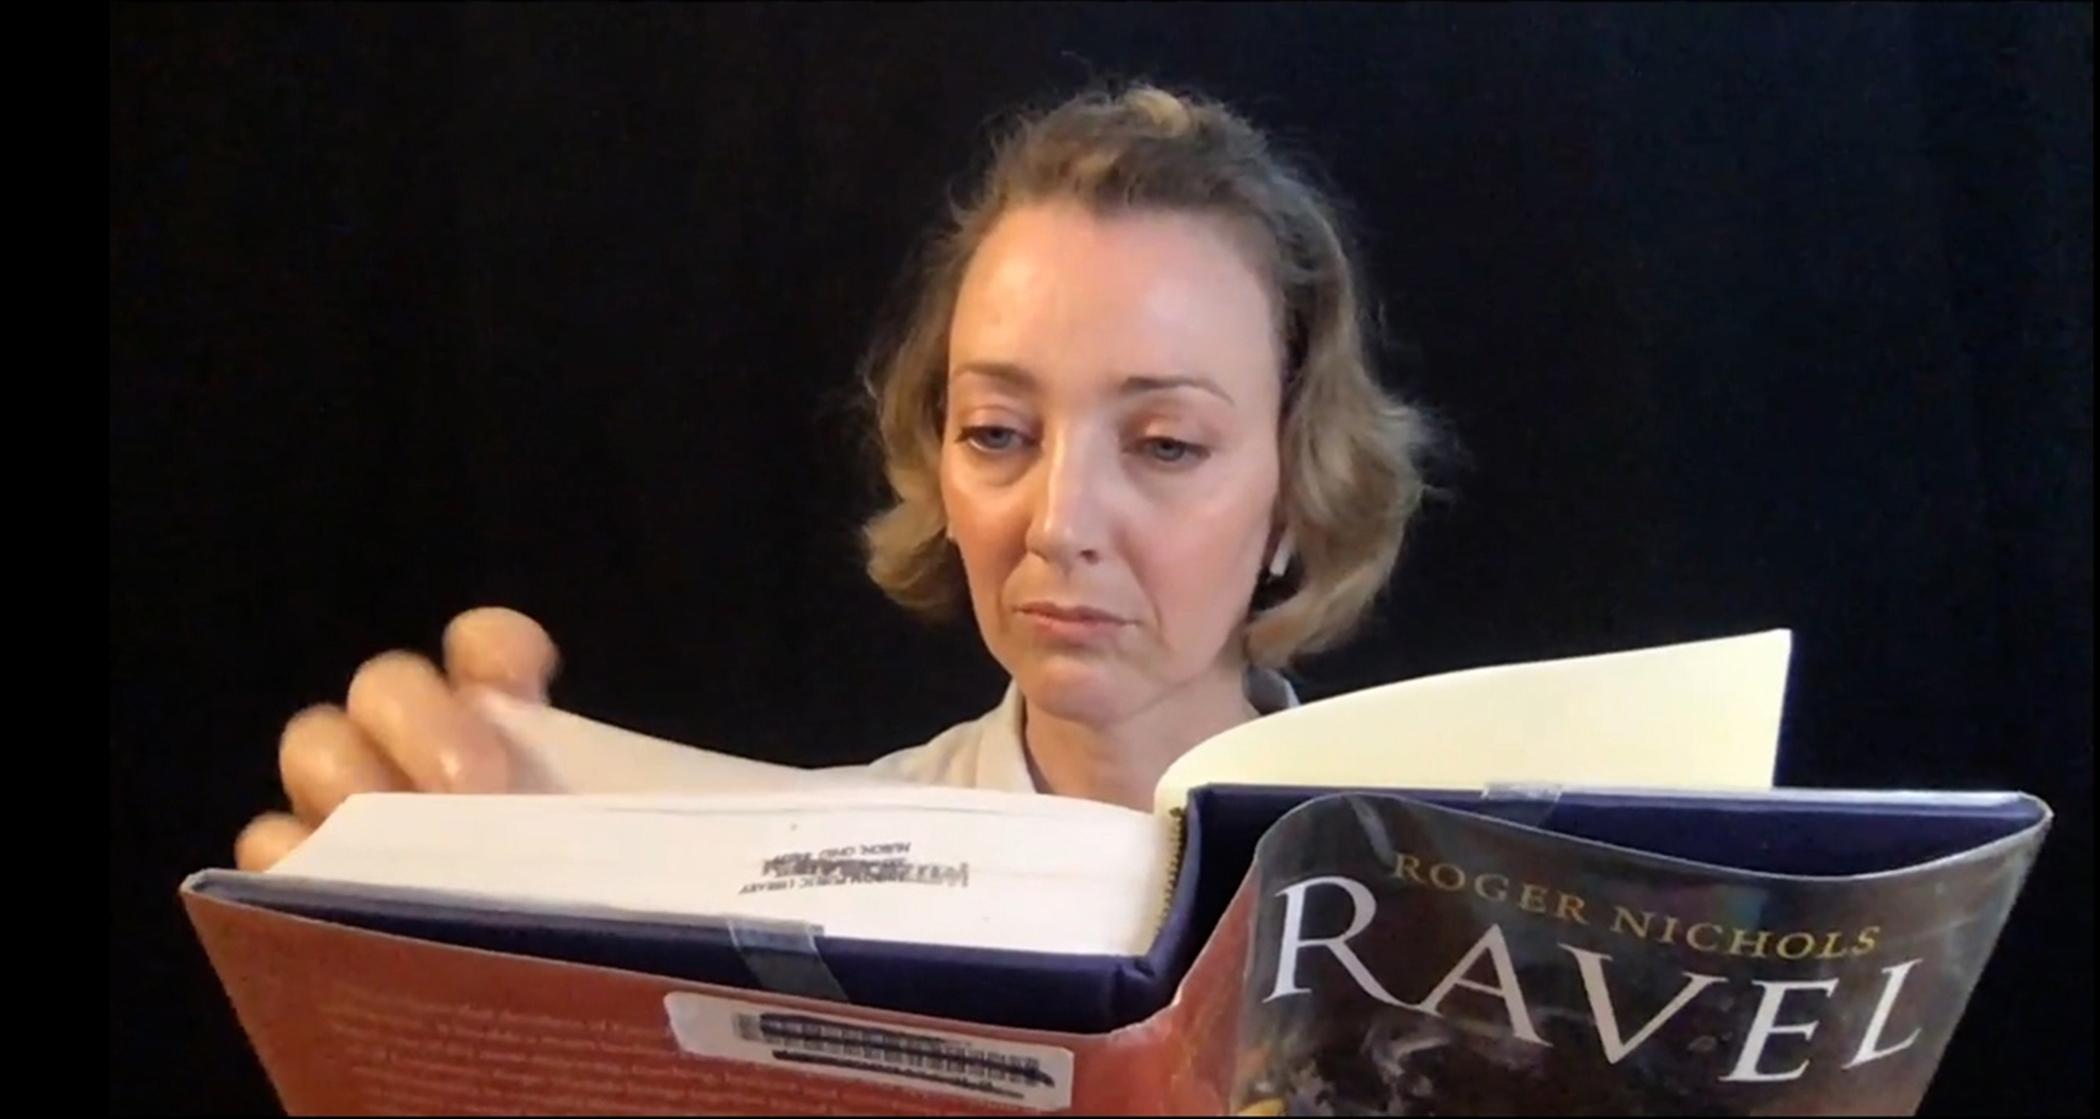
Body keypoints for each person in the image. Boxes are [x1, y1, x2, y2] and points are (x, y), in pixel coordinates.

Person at [234, 82, 1436, 872]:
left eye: (1166, 444)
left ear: (1296, 497)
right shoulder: (815, 870)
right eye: (998, 434)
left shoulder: (1456, 887)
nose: (1059, 522)